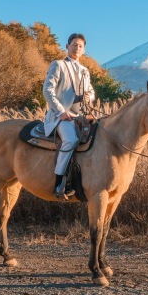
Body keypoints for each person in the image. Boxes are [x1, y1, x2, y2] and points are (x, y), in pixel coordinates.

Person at [43, 32, 96, 198]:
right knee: (71, 139)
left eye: (80, 46)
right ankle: (59, 183)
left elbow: (91, 91)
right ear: (67, 46)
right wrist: (61, 111)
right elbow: (47, 90)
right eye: (74, 45)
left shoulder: (85, 71)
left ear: (84, 50)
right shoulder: (58, 65)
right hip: (61, 116)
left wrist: (89, 97)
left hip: (81, 117)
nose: (77, 48)